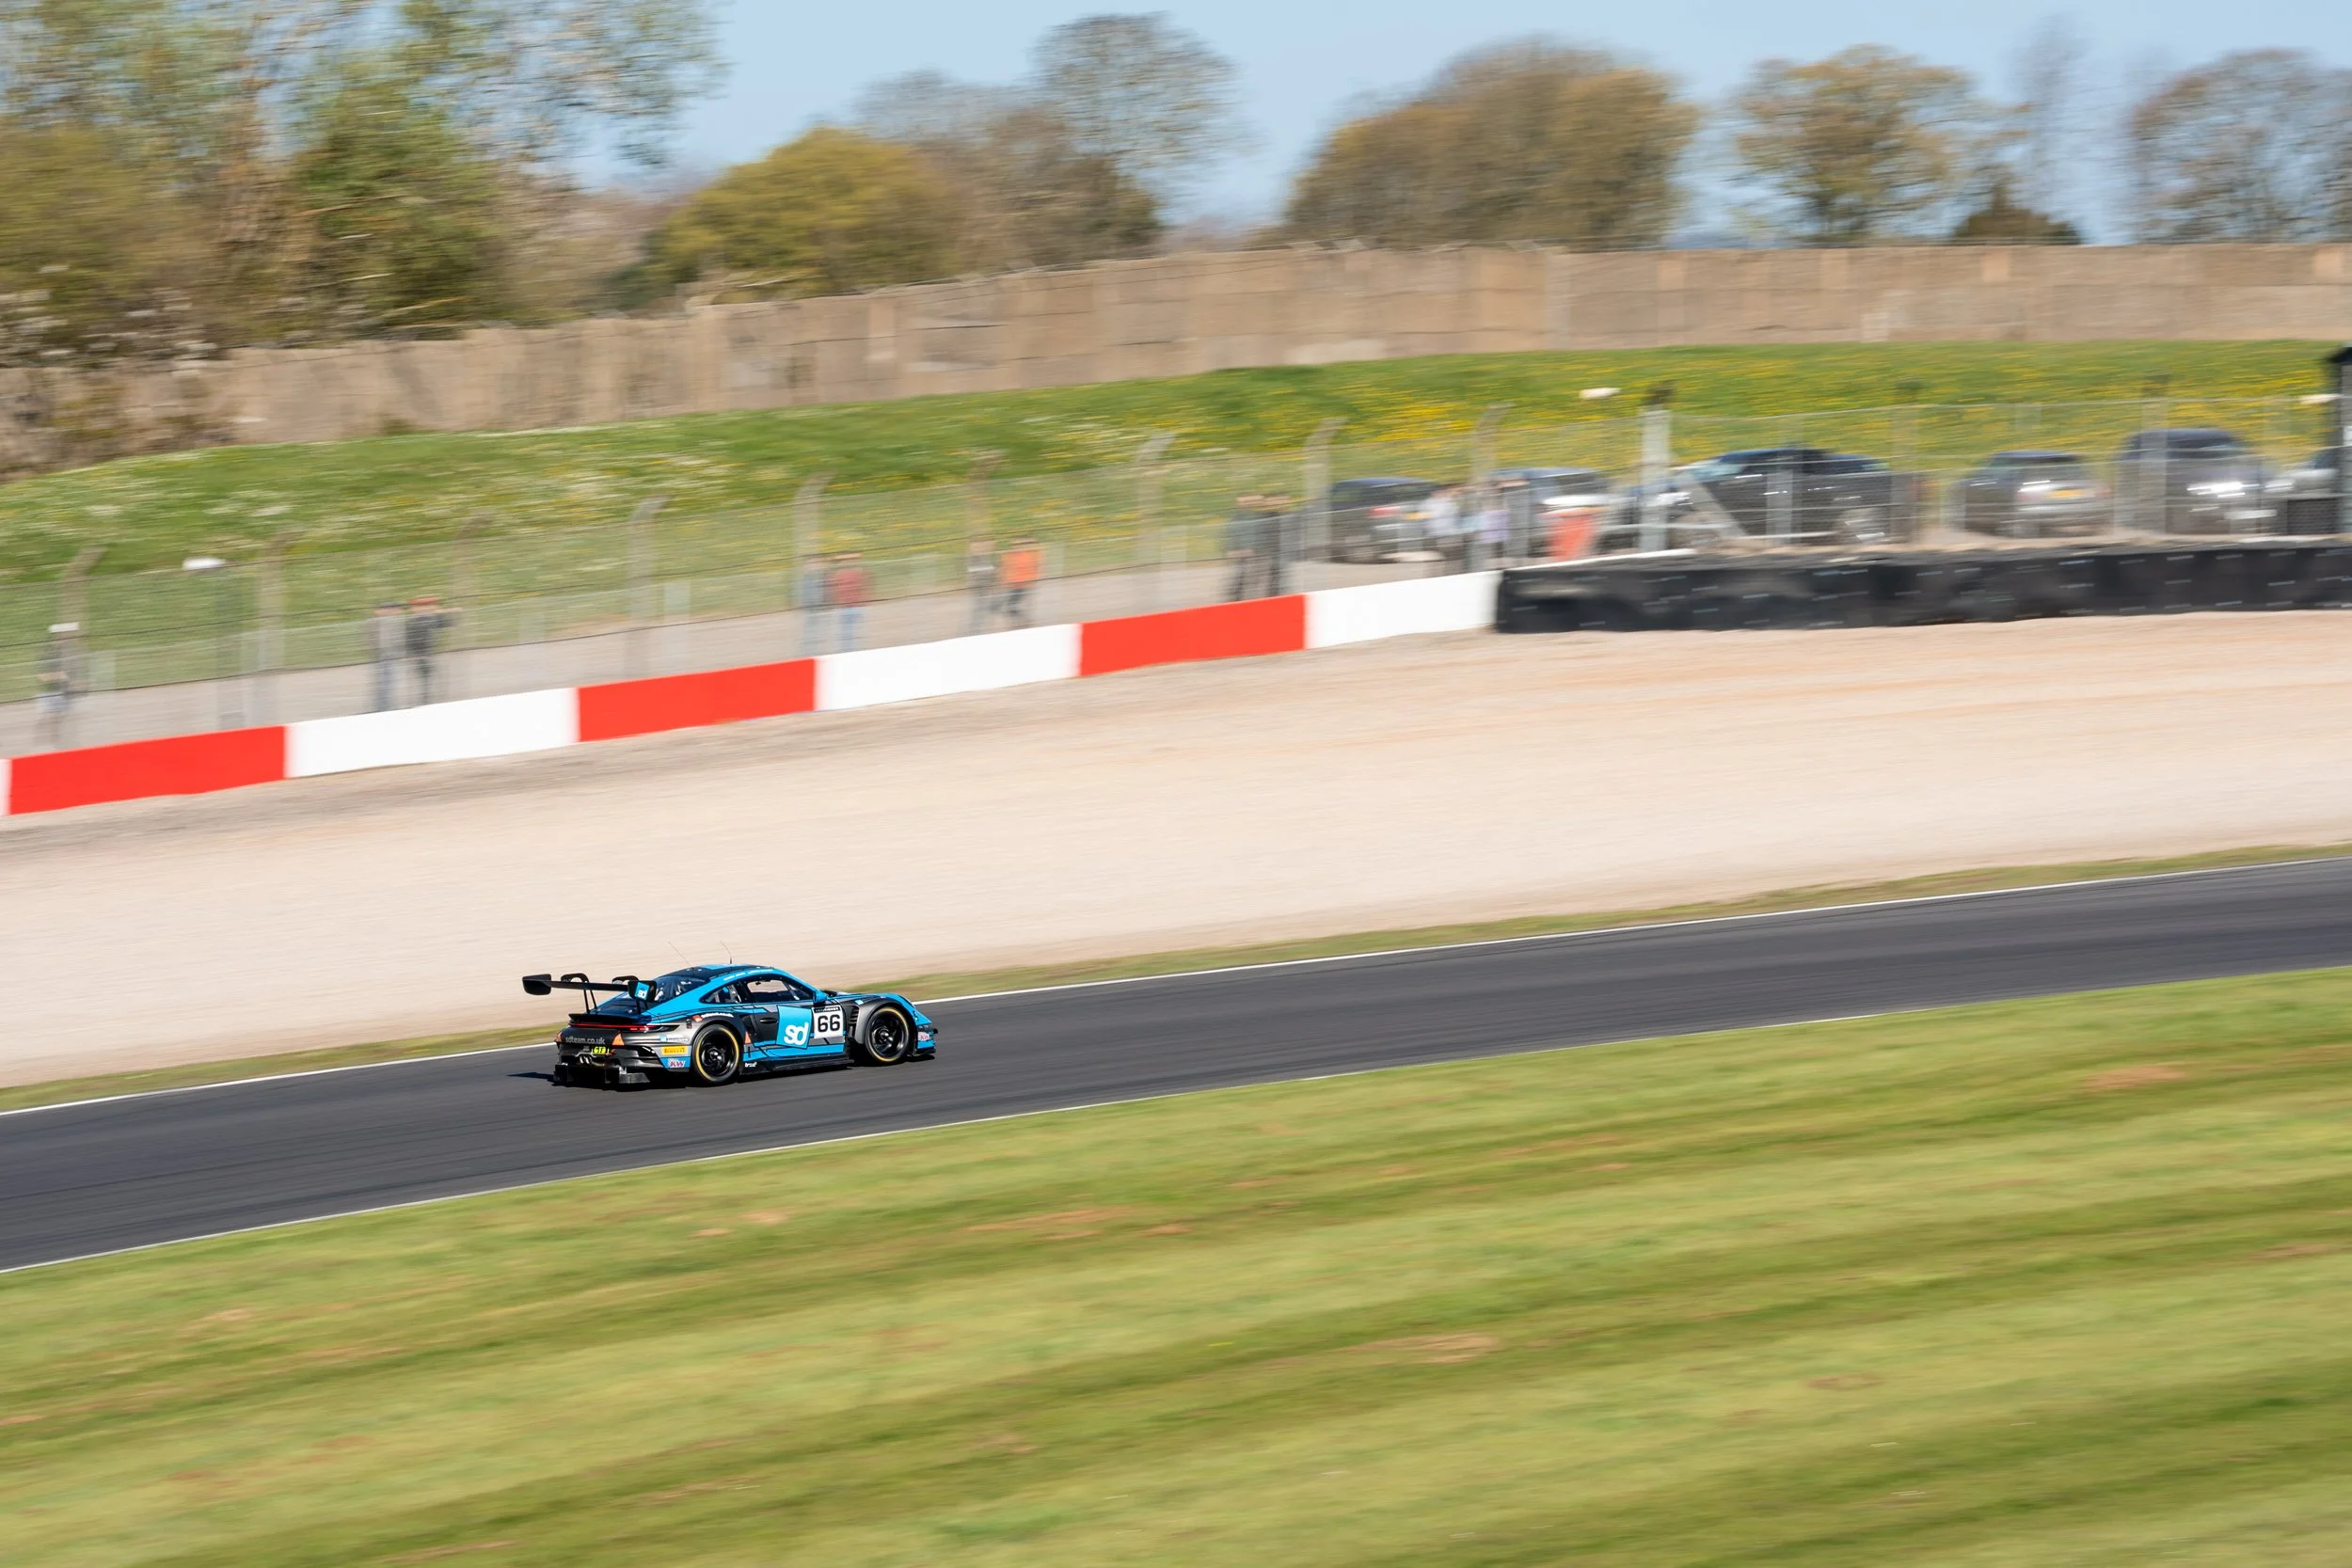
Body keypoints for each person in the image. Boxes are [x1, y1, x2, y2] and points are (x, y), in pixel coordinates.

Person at [33, 622, 81, 751]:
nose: (66, 640)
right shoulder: (48, 654)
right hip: (48, 694)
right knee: (47, 721)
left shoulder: (67, 653)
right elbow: (41, 676)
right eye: (62, 638)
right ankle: (42, 746)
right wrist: (60, 676)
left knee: (60, 721)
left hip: (63, 693)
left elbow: (72, 673)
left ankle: (56, 746)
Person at [404, 594, 453, 706]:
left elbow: (450, 623)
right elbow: (409, 639)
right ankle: (424, 701)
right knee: (425, 680)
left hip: (429, 654)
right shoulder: (413, 622)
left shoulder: (430, 619)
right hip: (420, 656)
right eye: (422, 606)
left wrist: (441, 612)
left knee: (432, 679)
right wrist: (411, 654)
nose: (426, 609)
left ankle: (428, 700)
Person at [827, 551, 870, 652]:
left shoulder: (859, 572)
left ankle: (851, 650)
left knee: (853, 631)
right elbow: (833, 589)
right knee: (846, 631)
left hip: (855, 606)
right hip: (845, 606)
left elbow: (865, 587)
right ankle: (847, 650)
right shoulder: (837, 574)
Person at [1223, 494, 1262, 601]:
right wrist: (1231, 550)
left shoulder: (1255, 515)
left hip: (1253, 552)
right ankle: (1235, 598)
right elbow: (1229, 534)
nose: (1245, 504)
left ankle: (1249, 598)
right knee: (1239, 576)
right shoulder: (1235, 517)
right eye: (1242, 502)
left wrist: (1255, 548)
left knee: (1253, 577)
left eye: (1246, 502)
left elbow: (1257, 533)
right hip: (1241, 552)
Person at [368, 602, 403, 710]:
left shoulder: (393, 622)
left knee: (388, 682)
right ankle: (382, 707)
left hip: (389, 656)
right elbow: (374, 639)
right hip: (384, 657)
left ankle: (385, 706)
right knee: (384, 683)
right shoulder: (376, 622)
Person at [999, 538, 1041, 626]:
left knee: (1014, 605)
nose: (1016, 547)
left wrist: (1031, 581)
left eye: (1018, 545)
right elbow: (1004, 568)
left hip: (1022, 585)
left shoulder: (1026, 556)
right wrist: (1004, 580)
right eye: (1014, 545)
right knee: (1012, 606)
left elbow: (1032, 569)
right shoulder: (1008, 556)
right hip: (1012, 585)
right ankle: (1022, 621)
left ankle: (1023, 621)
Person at [964, 536, 997, 633]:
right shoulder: (972, 557)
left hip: (983, 586)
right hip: (977, 586)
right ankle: (974, 630)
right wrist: (990, 571)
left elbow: (987, 571)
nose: (977, 548)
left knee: (980, 608)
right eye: (974, 547)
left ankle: (977, 629)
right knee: (979, 609)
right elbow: (975, 571)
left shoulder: (983, 556)